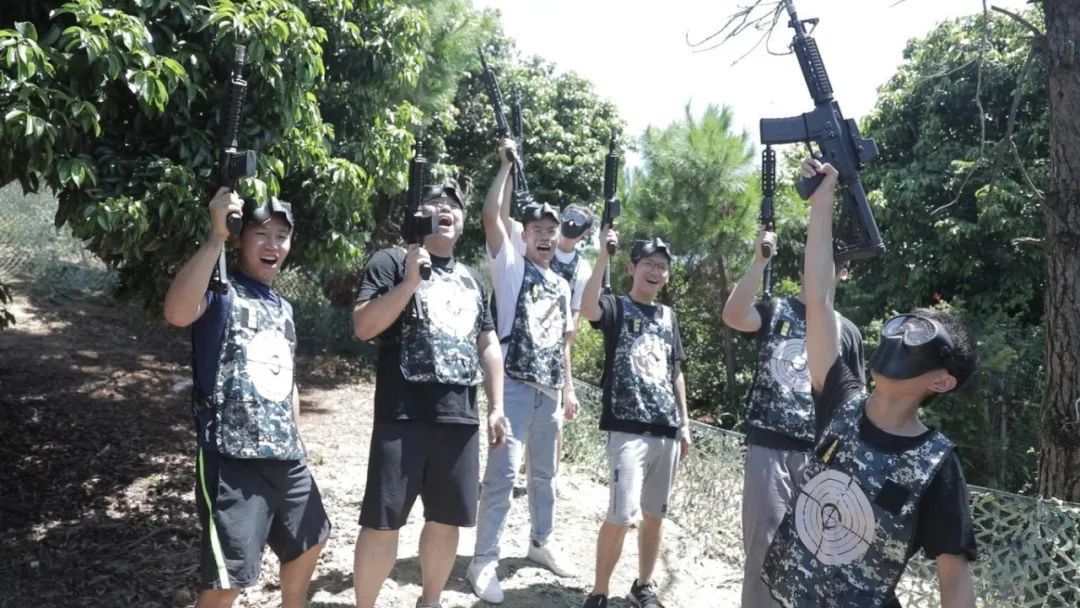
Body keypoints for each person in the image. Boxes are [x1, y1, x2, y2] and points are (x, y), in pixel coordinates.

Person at [761, 159, 978, 607]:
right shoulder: (841, 398)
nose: (901, 339)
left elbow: (954, 579)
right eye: (904, 326)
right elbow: (818, 301)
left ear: (942, 381)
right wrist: (822, 203)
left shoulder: (936, 465)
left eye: (919, 337)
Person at [163, 188, 329, 608]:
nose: (273, 245)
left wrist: (297, 443)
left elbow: (286, 379)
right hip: (232, 459)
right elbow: (177, 312)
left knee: (310, 538)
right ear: (240, 239)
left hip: (286, 457)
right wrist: (215, 237)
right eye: (261, 234)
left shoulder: (284, 308)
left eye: (281, 236)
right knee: (227, 582)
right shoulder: (221, 292)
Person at [350, 184, 507, 608]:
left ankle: (430, 601)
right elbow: (363, 326)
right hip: (402, 415)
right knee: (383, 522)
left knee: (446, 520)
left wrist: (496, 407)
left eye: (453, 206)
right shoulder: (390, 261)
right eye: (434, 204)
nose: (445, 210)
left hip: (460, 419)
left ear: (462, 222)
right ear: (419, 217)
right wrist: (408, 281)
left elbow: (488, 343)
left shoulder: (473, 278)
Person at [721, 233, 864, 608]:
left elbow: (854, 403)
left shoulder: (848, 332)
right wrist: (759, 261)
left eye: (833, 264)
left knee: (815, 556)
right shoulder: (775, 309)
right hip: (769, 450)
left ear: (843, 272)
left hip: (823, 460)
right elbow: (733, 316)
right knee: (763, 550)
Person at [467, 138, 578, 604]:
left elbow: (564, 340)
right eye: (536, 229)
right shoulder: (510, 268)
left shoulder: (562, 283)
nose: (545, 237)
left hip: (549, 393)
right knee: (502, 476)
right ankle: (483, 559)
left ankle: (541, 541)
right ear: (524, 234)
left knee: (544, 477)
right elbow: (491, 216)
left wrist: (569, 388)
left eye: (552, 230)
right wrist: (506, 169)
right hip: (512, 388)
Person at [578, 230, 691, 608]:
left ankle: (642, 585)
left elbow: (676, 371)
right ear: (632, 268)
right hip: (627, 429)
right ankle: (599, 591)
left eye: (662, 267)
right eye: (648, 264)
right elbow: (588, 308)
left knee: (654, 515)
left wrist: (684, 424)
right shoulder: (616, 306)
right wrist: (602, 256)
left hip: (666, 430)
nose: (655, 272)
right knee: (621, 514)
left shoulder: (669, 316)